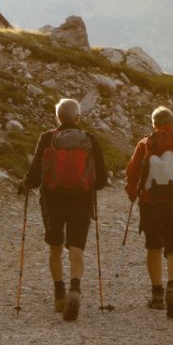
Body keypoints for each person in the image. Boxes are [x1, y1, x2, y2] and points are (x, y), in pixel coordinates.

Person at [19, 97, 110, 321]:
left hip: (53, 201)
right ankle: (75, 288)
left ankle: (59, 295)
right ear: (77, 117)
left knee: (56, 247)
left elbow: (34, 176)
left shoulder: (48, 138)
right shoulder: (89, 139)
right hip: (81, 201)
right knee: (76, 248)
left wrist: (24, 185)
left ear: (58, 117)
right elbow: (101, 179)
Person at [125, 106, 173, 318]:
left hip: (150, 204)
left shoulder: (145, 144)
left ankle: (157, 294)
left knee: (153, 246)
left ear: (153, 124)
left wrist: (132, 193)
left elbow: (131, 172)